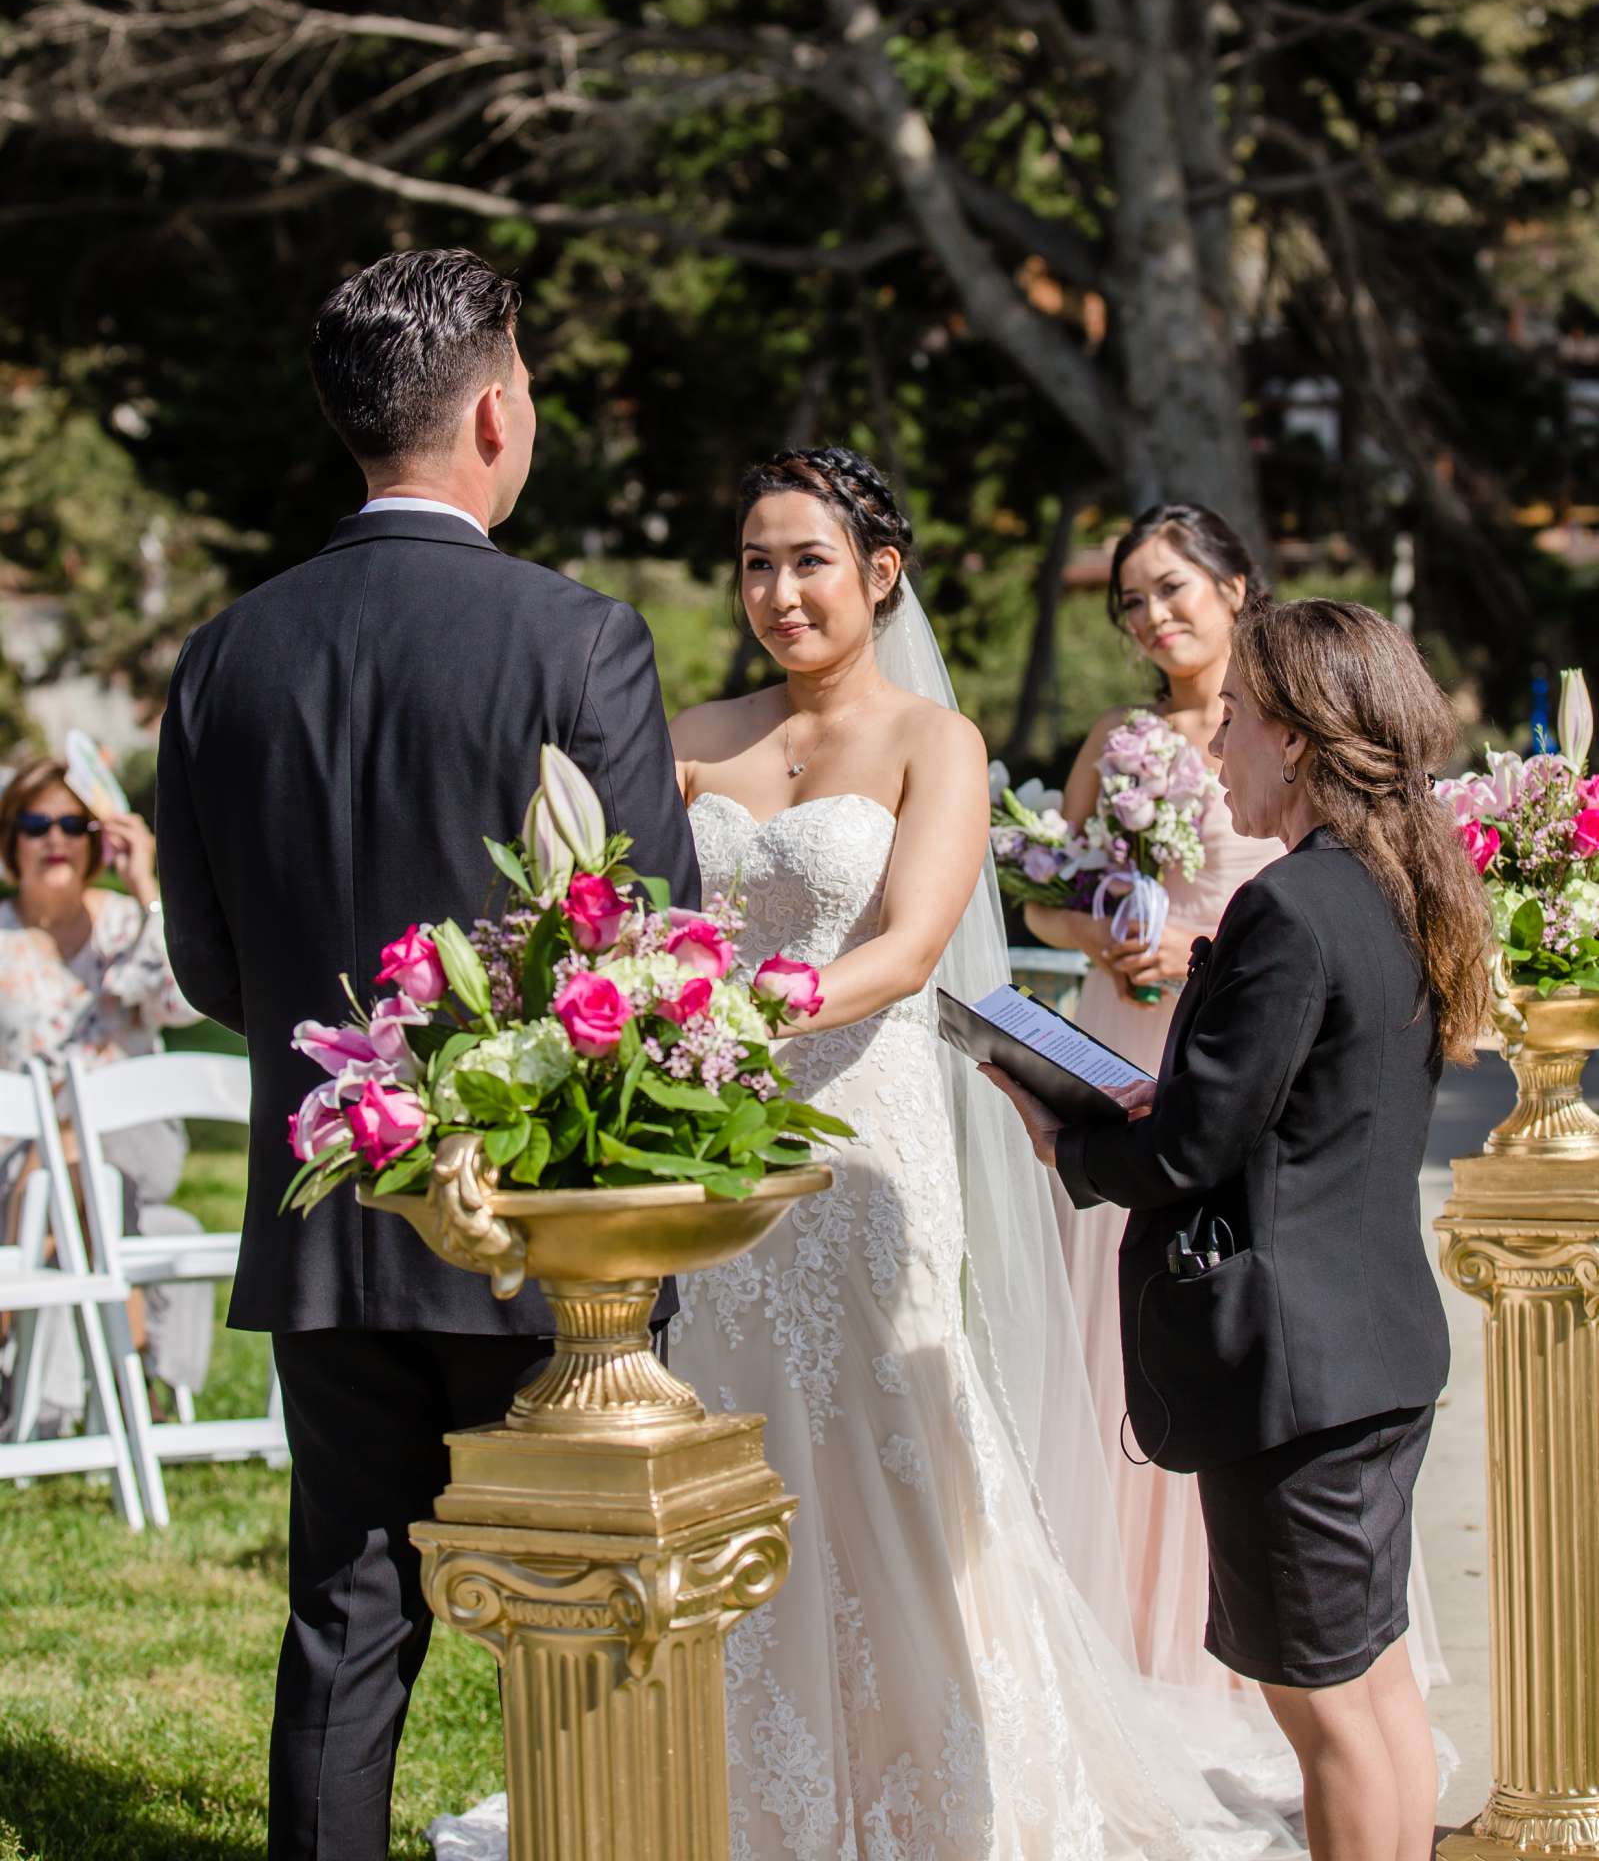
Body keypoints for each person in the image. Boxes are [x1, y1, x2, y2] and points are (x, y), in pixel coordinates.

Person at [429, 446, 1308, 1861]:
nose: (778, 592)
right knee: (731, 1422)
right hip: (715, 1150)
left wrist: (724, 1009)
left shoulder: (930, 743)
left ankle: (931, 1764)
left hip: (865, 1141)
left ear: (877, 572)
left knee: (886, 1443)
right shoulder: (690, 732)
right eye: (755, 563)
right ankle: (726, 1763)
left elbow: (903, 948)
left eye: (808, 561)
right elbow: (606, 902)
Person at [154, 249, 699, 1861]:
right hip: (549, 1229)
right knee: (587, 1611)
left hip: (332, 1213)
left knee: (346, 1615)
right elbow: (649, 947)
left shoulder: (224, 657)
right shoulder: (576, 640)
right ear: (488, 414)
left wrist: (370, 1090)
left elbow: (206, 963)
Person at [985, 598, 1490, 1861]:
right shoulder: (1402, 886)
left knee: (1323, 1708)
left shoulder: (1293, 906)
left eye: (1243, 725)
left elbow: (1193, 1148)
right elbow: (1292, 1107)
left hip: (1292, 1367)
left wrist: (1070, 1139)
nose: (1218, 756)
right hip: (1371, 1341)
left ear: (1305, 740)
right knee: (1367, 1687)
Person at [1021, 502, 1280, 1683]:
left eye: (1173, 587)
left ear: (1234, 584)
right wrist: (1096, 929)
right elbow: (1042, 891)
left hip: (1236, 1025)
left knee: (1220, 1297)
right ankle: (1122, 1623)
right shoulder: (1117, 737)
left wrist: (1201, 949)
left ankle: (1235, 1624)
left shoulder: (1284, 720)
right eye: (1132, 598)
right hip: (1121, 1026)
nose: (1153, 615)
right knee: (1116, 1315)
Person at [0, 755, 212, 1422]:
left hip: (135, 1143)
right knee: (68, 1166)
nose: (55, 838)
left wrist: (146, 881)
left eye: (72, 822)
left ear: (98, 838)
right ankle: (130, 1386)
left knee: (75, 1148)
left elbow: (183, 1002)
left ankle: (5, 1332)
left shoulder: (128, 923)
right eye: (37, 823)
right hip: (17, 1164)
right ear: (13, 839)